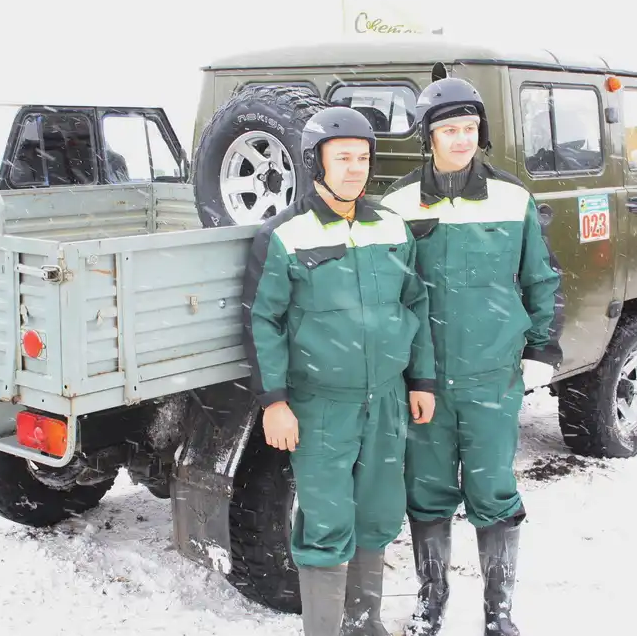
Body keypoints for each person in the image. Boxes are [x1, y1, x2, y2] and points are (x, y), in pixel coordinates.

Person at [241, 106, 437, 636]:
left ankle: (364, 624)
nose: (355, 168)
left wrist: (421, 380)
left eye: (363, 158)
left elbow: (415, 305)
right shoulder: (285, 235)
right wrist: (274, 402)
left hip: (388, 400)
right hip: (321, 405)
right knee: (327, 522)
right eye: (343, 157)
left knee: (378, 514)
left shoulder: (391, 227)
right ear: (316, 162)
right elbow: (263, 320)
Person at [380, 78, 565, 636]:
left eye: (469, 129)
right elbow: (387, 291)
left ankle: (498, 611)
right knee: (427, 490)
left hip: (492, 375)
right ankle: (431, 598)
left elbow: (541, 277)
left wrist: (541, 346)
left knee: (493, 490)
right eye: (449, 130)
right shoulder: (398, 203)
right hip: (426, 380)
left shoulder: (512, 197)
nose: (461, 139)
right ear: (428, 136)